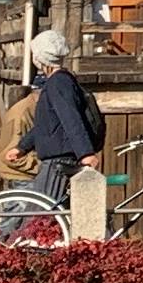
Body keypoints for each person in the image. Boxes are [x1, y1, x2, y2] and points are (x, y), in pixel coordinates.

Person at [19, 30, 103, 206]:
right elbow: (47, 125)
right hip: (56, 158)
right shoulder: (59, 82)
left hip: (59, 160)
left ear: (40, 58)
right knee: (48, 216)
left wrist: (86, 153)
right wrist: (23, 147)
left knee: (40, 218)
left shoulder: (58, 83)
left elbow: (71, 118)